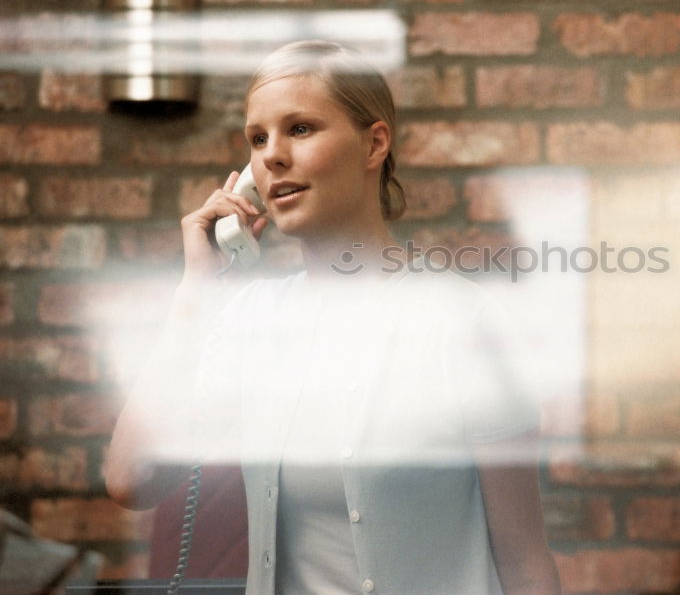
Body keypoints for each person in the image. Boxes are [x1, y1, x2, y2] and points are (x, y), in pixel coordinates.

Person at [106, 40, 562, 594]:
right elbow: (132, 480)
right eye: (257, 138)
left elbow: (523, 562)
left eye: (299, 129)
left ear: (374, 144)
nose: (272, 155)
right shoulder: (251, 319)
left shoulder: (463, 322)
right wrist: (193, 295)